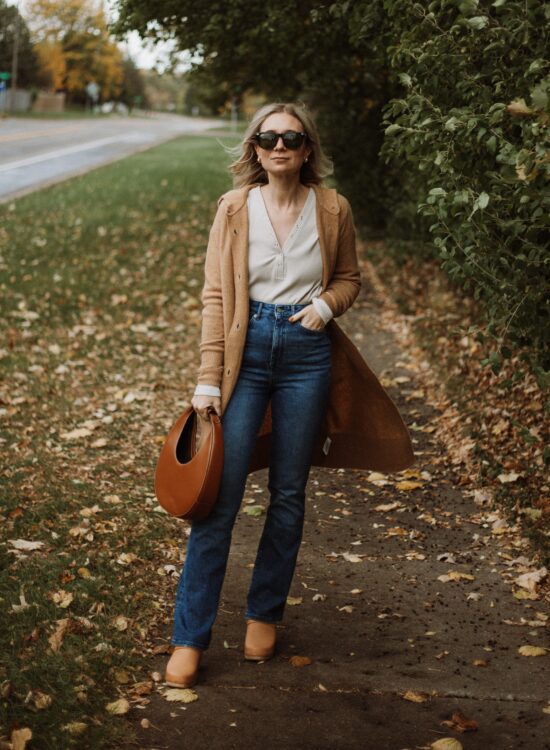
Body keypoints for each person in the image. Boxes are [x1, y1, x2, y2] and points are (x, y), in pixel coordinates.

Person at [164, 102, 415, 688]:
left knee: (287, 495)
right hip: (243, 358)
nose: (279, 146)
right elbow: (215, 297)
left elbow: (349, 277)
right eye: (268, 137)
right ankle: (189, 637)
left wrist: (324, 307)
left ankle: (263, 613)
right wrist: (207, 377)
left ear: (307, 150)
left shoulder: (333, 208)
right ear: (254, 149)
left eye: (292, 138)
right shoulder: (232, 209)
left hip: (306, 356)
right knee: (218, 499)